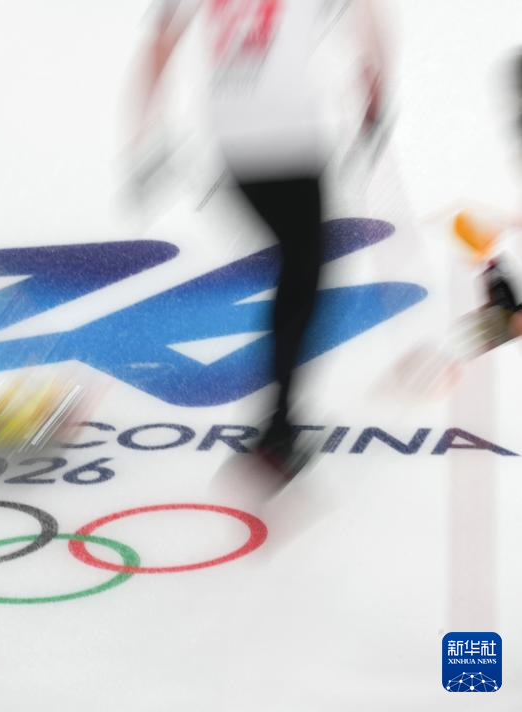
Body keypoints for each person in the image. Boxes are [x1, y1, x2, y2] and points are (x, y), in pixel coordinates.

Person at [130, 0, 389, 475]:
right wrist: (375, 92)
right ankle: (278, 428)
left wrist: (144, 133)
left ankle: (279, 421)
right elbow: (368, 25)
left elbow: (160, 41)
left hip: (232, 140)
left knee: (298, 265)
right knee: (303, 272)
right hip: (289, 134)